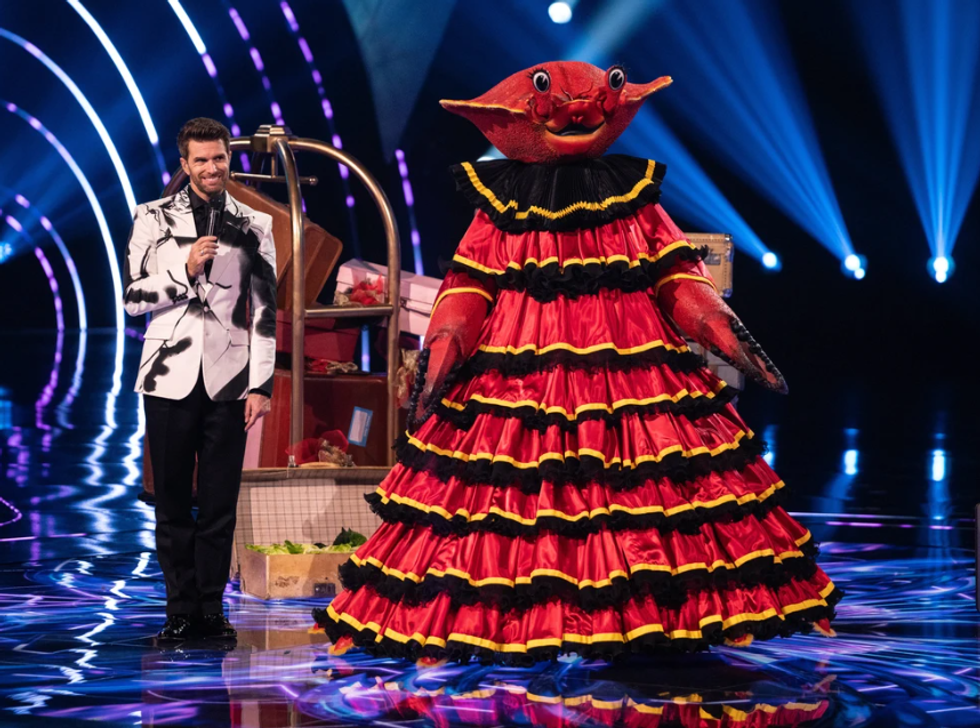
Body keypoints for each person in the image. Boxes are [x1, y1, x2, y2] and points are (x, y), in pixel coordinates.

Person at [314, 62, 840, 664]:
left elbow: (675, 275)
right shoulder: (501, 203)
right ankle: (491, 625)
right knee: (509, 499)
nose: (576, 116)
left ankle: (681, 616)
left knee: (653, 491)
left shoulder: (631, 198)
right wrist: (442, 353)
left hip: (629, 373)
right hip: (521, 378)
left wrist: (725, 333)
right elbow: (468, 287)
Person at [123, 117, 277, 642]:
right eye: (202, 160)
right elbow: (132, 299)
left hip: (230, 382)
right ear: (184, 164)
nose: (213, 168)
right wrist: (183, 271)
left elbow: (264, 312)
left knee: (218, 504)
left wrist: (262, 385)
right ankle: (180, 611)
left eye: (220, 158)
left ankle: (212, 610)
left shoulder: (256, 224)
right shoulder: (150, 218)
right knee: (171, 503)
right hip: (167, 378)